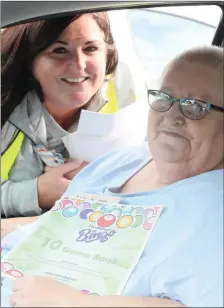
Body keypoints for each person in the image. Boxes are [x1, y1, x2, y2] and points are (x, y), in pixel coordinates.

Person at [2, 45, 224, 307]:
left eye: (195, 106)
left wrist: (73, 303)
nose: (172, 115)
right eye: (164, 97)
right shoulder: (123, 161)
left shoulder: (214, 209)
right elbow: (58, 222)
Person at [1, 12, 118, 218]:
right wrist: (36, 193)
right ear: (31, 60)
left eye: (90, 48)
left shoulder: (122, 101)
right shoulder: (6, 107)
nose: (79, 65)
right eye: (60, 50)